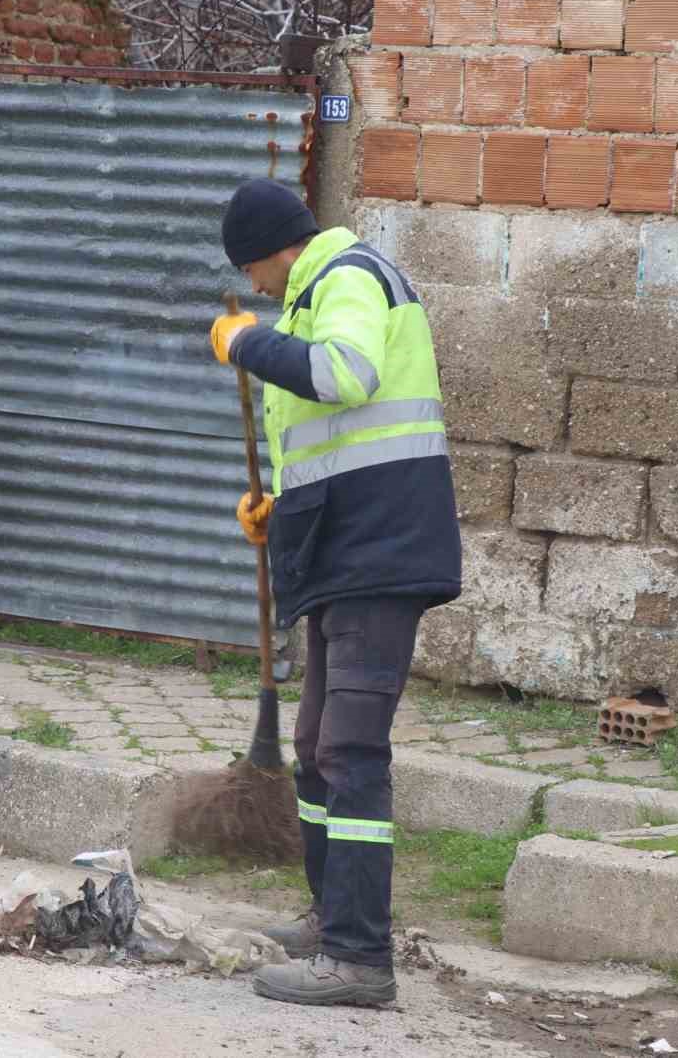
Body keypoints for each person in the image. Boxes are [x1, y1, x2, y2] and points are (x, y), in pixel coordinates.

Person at [209, 179, 462, 1007]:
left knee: (350, 755)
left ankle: (359, 960)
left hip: (378, 554)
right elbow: (333, 441)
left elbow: (344, 377)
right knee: (318, 746)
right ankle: (330, 921)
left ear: (275, 249)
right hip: (344, 551)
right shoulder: (315, 295)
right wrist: (278, 512)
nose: (254, 289)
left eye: (253, 270)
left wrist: (247, 345)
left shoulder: (350, 278)